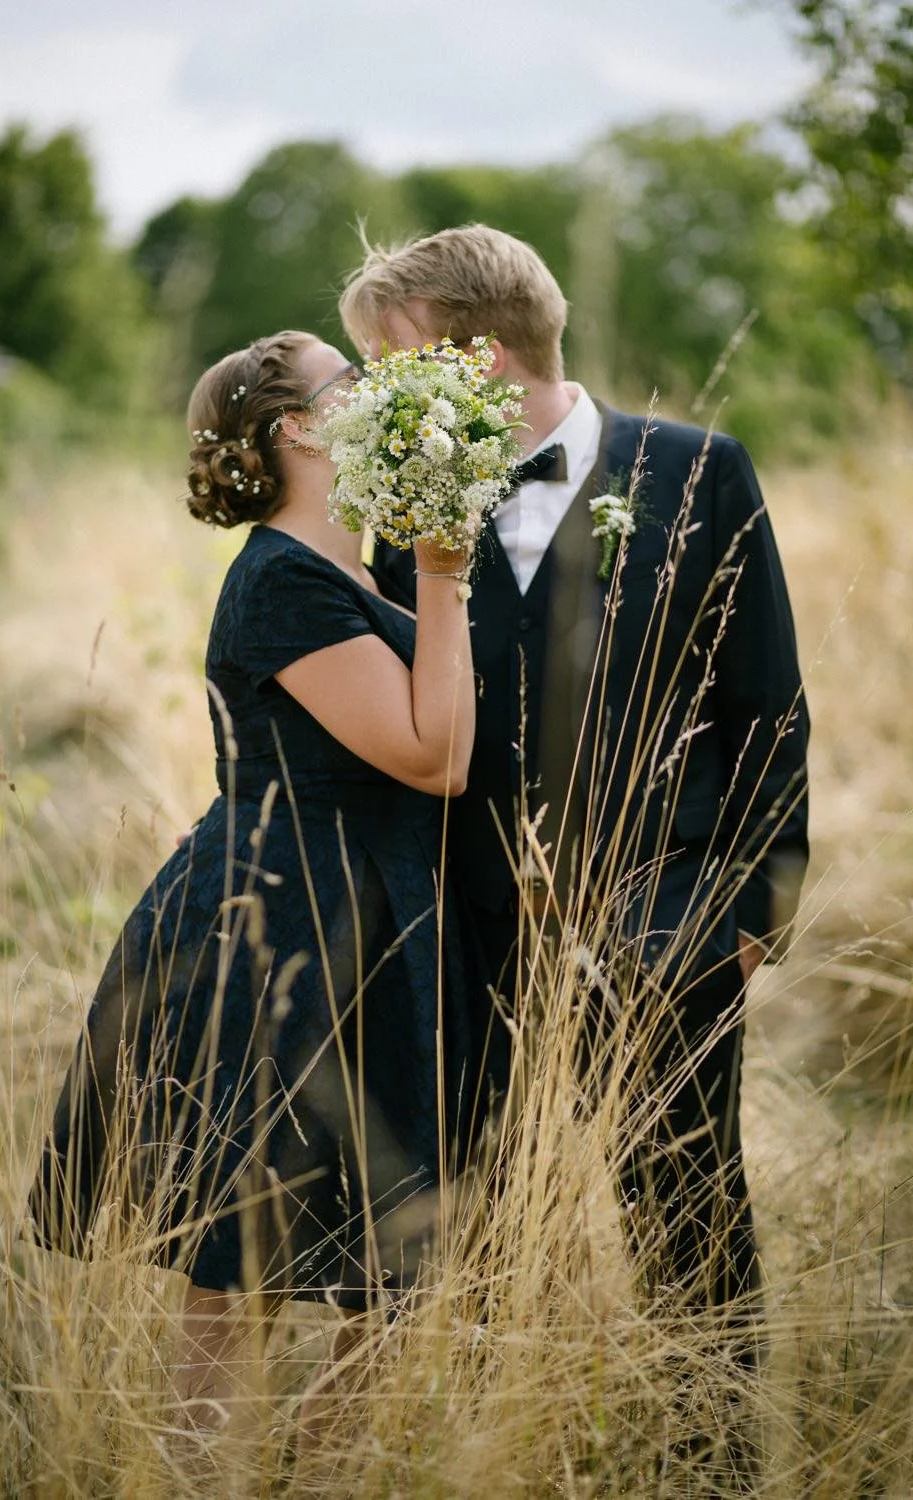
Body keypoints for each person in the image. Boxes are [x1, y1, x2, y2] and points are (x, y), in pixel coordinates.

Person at [339, 226, 810, 1361]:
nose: (374, 391)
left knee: (689, 1221)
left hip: (672, 919)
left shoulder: (702, 468)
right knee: (468, 1228)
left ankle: (712, 1473)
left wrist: (750, 922)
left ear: (482, 364)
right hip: (467, 933)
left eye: (392, 363)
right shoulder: (404, 503)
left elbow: (770, 706)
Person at [28, 329, 475, 1422]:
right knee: (243, 1272)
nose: (381, 393)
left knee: (396, 1267)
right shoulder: (281, 581)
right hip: (286, 933)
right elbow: (434, 756)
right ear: (305, 426)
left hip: (365, 918)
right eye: (353, 381)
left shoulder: (343, 568)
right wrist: (445, 575)